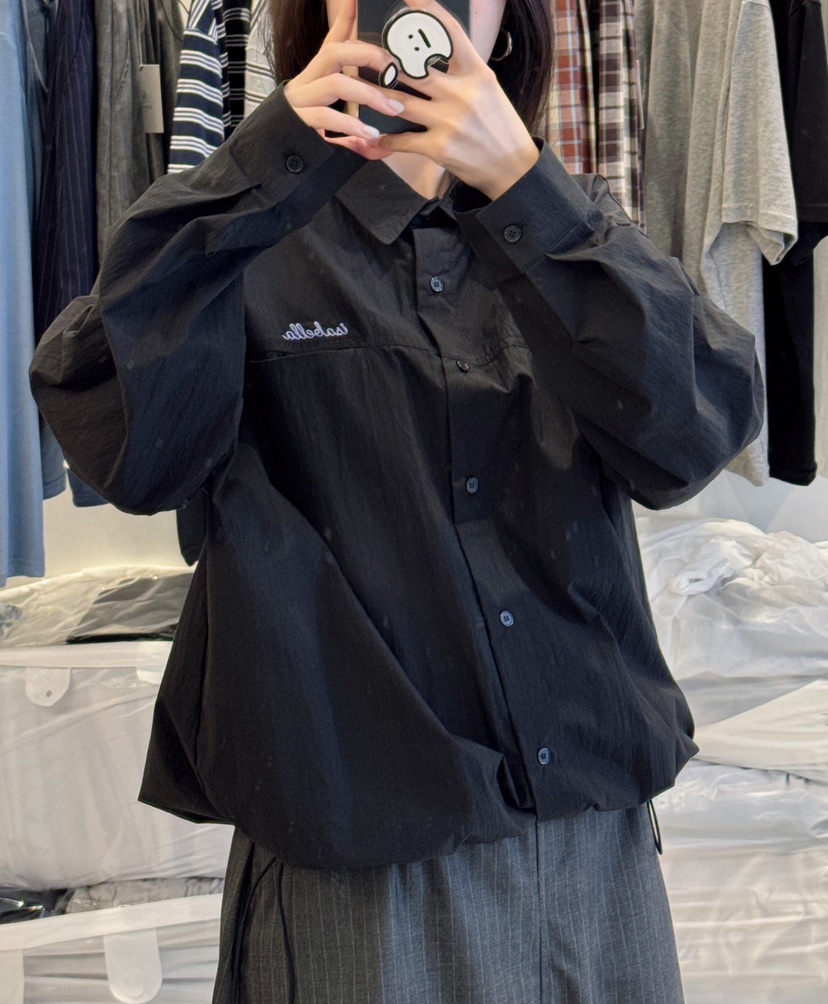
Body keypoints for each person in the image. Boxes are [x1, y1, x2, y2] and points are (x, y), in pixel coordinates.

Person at [29, 0, 763, 999]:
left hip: (595, 852)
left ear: (508, 21)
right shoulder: (244, 238)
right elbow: (117, 437)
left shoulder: (576, 236)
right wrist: (267, 158)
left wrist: (528, 190)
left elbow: (697, 433)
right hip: (365, 873)